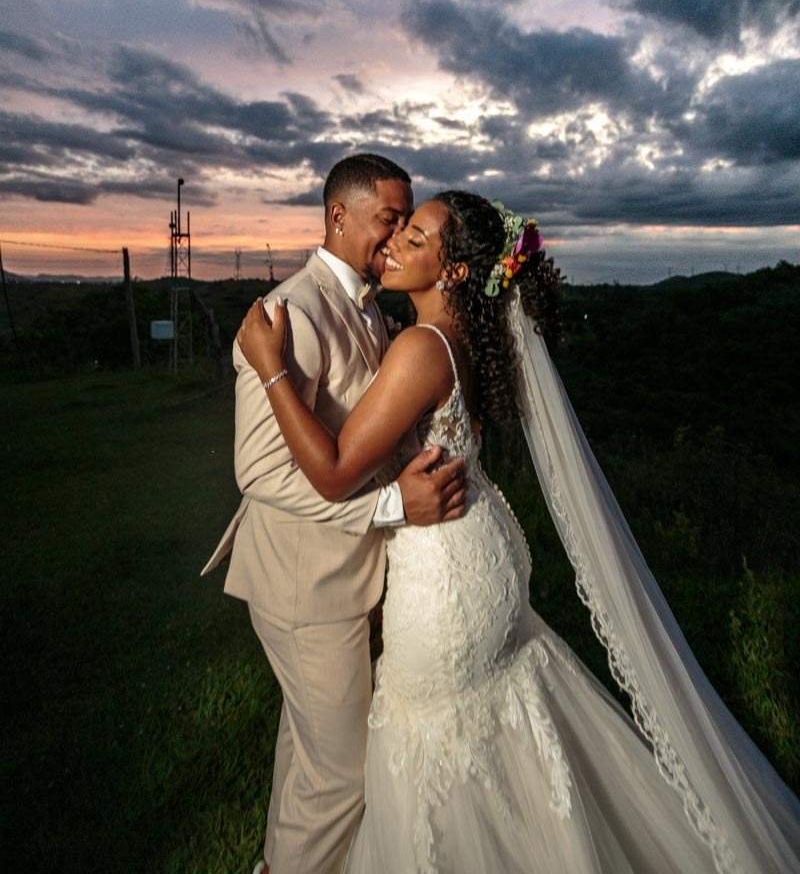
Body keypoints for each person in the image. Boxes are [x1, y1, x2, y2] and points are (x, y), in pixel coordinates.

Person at [238, 190, 800, 874]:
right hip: (483, 550)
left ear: (454, 272)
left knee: (432, 742)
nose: (394, 245)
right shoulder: (466, 339)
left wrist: (271, 367)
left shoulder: (420, 347)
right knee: (493, 725)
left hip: (444, 576)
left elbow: (330, 474)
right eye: (399, 231)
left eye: (415, 239)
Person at [203, 155, 467, 874]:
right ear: (338, 216)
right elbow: (260, 471)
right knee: (342, 779)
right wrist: (392, 505)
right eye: (390, 220)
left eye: (408, 224)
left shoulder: (372, 306)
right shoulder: (290, 313)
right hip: (305, 585)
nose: (398, 237)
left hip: (347, 577)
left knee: (309, 757)